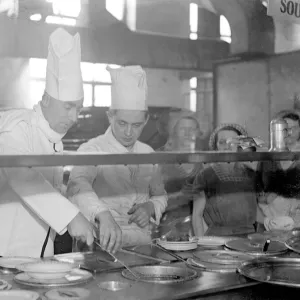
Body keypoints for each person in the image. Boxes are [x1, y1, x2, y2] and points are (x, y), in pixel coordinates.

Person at [0, 28, 95, 257]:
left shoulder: (54, 139)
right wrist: (71, 217)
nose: (74, 117)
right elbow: (23, 177)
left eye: (78, 108)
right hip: (6, 251)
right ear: (45, 99)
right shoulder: (17, 126)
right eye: (68, 107)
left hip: (38, 255)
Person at [67, 66, 168, 253]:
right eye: (122, 123)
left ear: (146, 121)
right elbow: (77, 185)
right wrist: (102, 214)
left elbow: (160, 194)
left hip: (141, 246)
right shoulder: (92, 149)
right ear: (110, 116)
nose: (129, 132)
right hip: (98, 246)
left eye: (137, 125)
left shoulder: (148, 153)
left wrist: (150, 207)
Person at [192, 123, 258, 236]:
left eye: (233, 142)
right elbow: (197, 215)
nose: (227, 146)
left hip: (249, 238)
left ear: (240, 146)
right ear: (215, 146)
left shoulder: (251, 174)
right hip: (218, 239)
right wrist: (201, 243)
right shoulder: (205, 175)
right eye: (222, 142)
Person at [257, 111, 300, 231]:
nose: (289, 133)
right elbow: (257, 193)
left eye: (294, 128)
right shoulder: (266, 161)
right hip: (270, 224)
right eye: (285, 129)